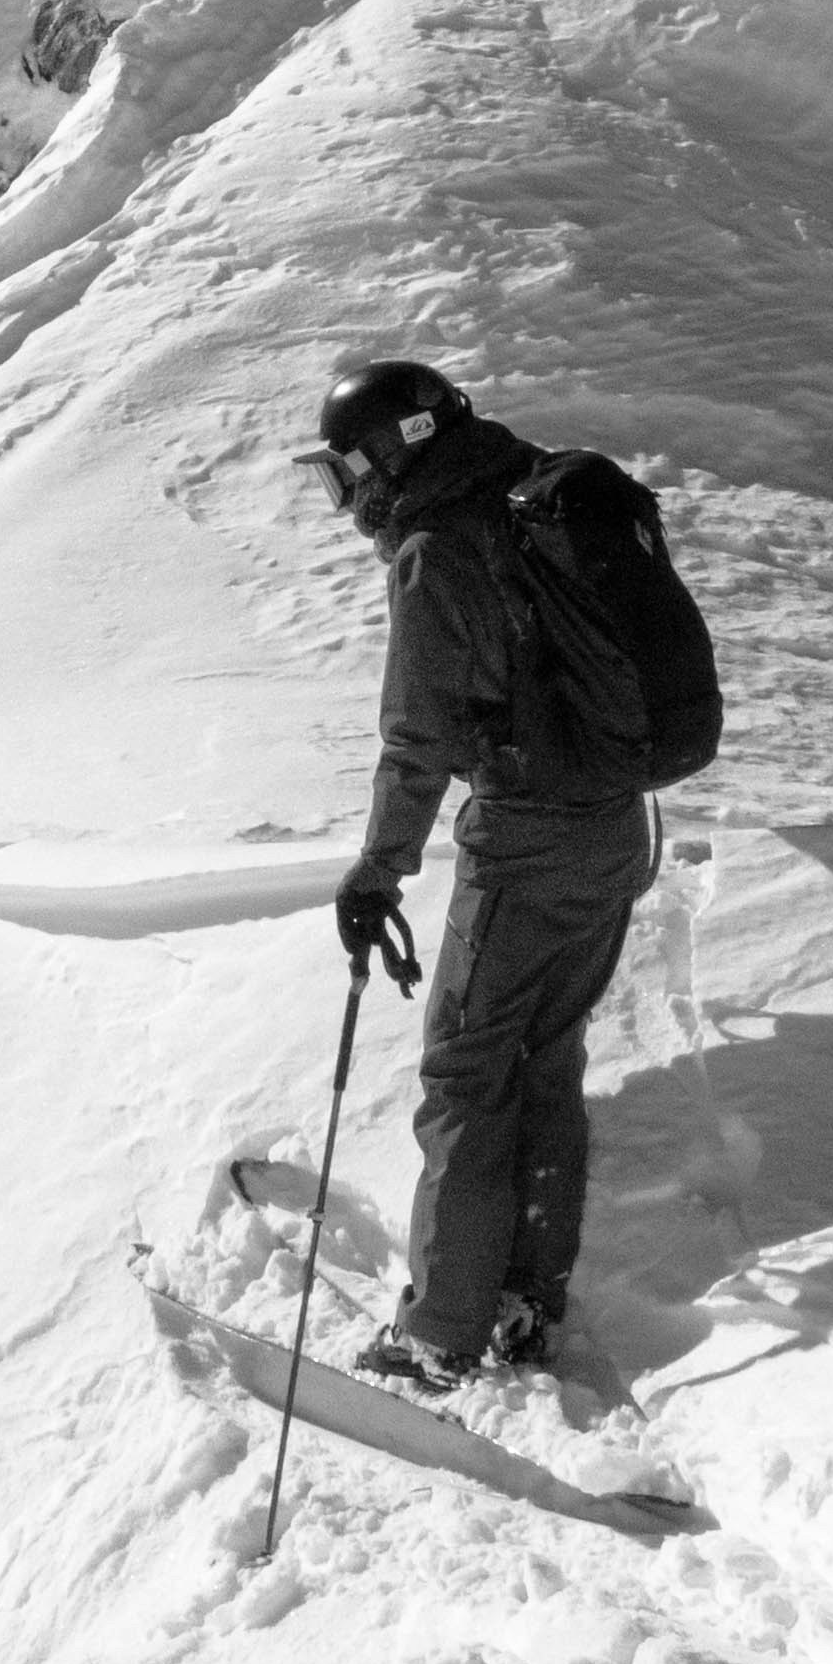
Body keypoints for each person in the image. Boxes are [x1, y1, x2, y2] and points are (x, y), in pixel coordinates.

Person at [316, 348, 660, 1395]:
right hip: (616, 829)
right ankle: (522, 1300)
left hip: (525, 839)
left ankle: (440, 1332)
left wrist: (376, 872)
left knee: (467, 1075)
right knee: (544, 1059)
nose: (347, 498)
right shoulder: (540, 492)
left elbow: (417, 738)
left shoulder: (438, 547)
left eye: (345, 472)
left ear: (394, 450)